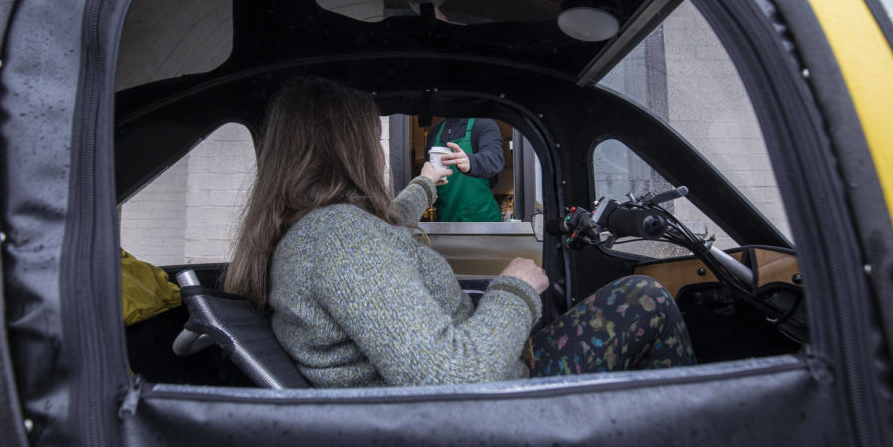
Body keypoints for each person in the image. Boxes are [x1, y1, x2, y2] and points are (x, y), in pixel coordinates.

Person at [225, 79, 695, 388]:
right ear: (348, 148)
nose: (377, 151)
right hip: (488, 407)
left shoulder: (319, 231)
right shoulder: (342, 240)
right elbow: (453, 376)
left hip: (466, 391)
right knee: (645, 298)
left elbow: (387, 225)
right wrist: (516, 290)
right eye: (371, 141)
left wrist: (427, 181)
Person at [425, 118, 504, 222]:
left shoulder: (484, 125)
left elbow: (494, 159)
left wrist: (470, 162)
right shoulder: (435, 130)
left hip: (483, 223)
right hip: (445, 220)